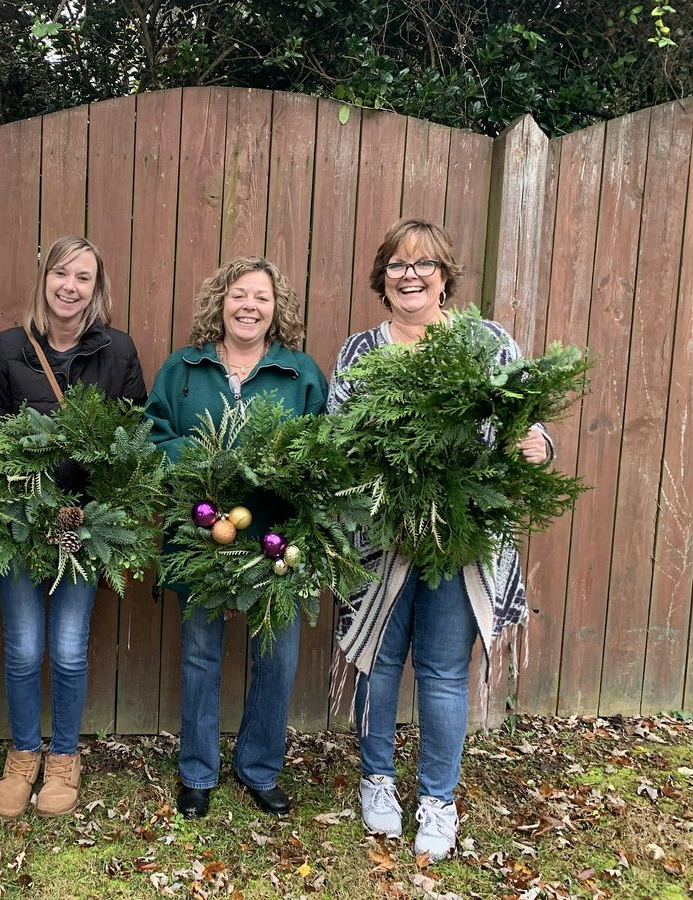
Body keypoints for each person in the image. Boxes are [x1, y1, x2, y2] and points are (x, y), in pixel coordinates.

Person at [329, 218, 554, 860]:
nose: (411, 275)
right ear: (383, 278)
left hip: (463, 539)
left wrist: (537, 446)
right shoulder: (359, 354)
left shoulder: (486, 344)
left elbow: (524, 423)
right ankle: (376, 780)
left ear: (445, 276)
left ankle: (437, 797)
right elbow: (338, 437)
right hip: (380, 538)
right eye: (398, 265)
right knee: (376, 658)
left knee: (444, 671)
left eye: (425, 264)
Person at [144, 256, 328, 819]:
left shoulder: (300, 373)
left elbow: (320, 448)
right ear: (219, 303)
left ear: (278, 311)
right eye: (238, 294)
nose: (249, 306)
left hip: (278, 539)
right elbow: (153, 435)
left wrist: (283, 471)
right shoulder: (184, 369)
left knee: (277, 655)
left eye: (262, 298)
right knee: (201, 651)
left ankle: (260, 768)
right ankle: (197, 771)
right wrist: (206, 461)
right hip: (203, 532)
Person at [0, 235, 147, 818]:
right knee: (24, 649)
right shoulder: (7, 349)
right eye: (60, 274)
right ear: (44, 278)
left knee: (70, 650)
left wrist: (99, 483)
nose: (69, 287)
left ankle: (65, 758)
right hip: (20, 524)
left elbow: (134, 434)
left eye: (83, 277)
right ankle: (24, 755)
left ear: (96, 288)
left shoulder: (117, 352)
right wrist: (44, 449)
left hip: (84, 524)